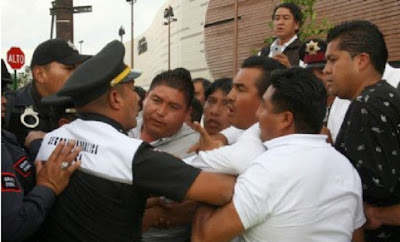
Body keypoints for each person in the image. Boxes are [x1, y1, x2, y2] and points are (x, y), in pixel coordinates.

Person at [33, 40, 235, 241]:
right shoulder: (132, 155)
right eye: (131, 90)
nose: (137, 99)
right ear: (115, 99)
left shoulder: (51, 139)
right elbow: (224, 191)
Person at [192, 68, 365, 242]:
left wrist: (209, 187)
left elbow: (203, 237)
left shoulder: (267, 168)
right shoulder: (346, 169)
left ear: (285, 119)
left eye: (264, 107)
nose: (257, 113)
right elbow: (357, 238)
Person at [323, 20, 400, 241]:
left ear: (361, 61)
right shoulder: (385, 96)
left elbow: (374, 186)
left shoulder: (367, 105)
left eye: (333, 60)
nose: (326, 69)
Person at [128, 68, 200, 242]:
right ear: (145, 97)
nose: (160, 111)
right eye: (156, 100)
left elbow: (199, 207)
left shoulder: (196, 147)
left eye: (173, 106)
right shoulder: (123, 126)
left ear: (187, 113)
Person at [186, 56, 286, 175]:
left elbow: (237, 162)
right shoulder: (245, 132)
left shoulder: (257, 142)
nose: (230, 96)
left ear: (267, 97)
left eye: (240, 89)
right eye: (211, 101)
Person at [3, 39, 90, 145]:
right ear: (40, 74)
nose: (77, 75)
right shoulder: (8, 108)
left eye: (78, 69)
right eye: (69, 68)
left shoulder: (85, 106)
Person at [2, 134, 81, 241]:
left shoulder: (7, 137)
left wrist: (39, 149)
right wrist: (48, 185)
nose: (2, 116)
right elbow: (11, 228)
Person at [258, 2, 303, 67]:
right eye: (277, 18)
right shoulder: (264, 52)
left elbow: (309, 76)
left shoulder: (303, 51)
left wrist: (289, 68)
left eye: (286, 18)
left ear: (296, 24)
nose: (280, 22)